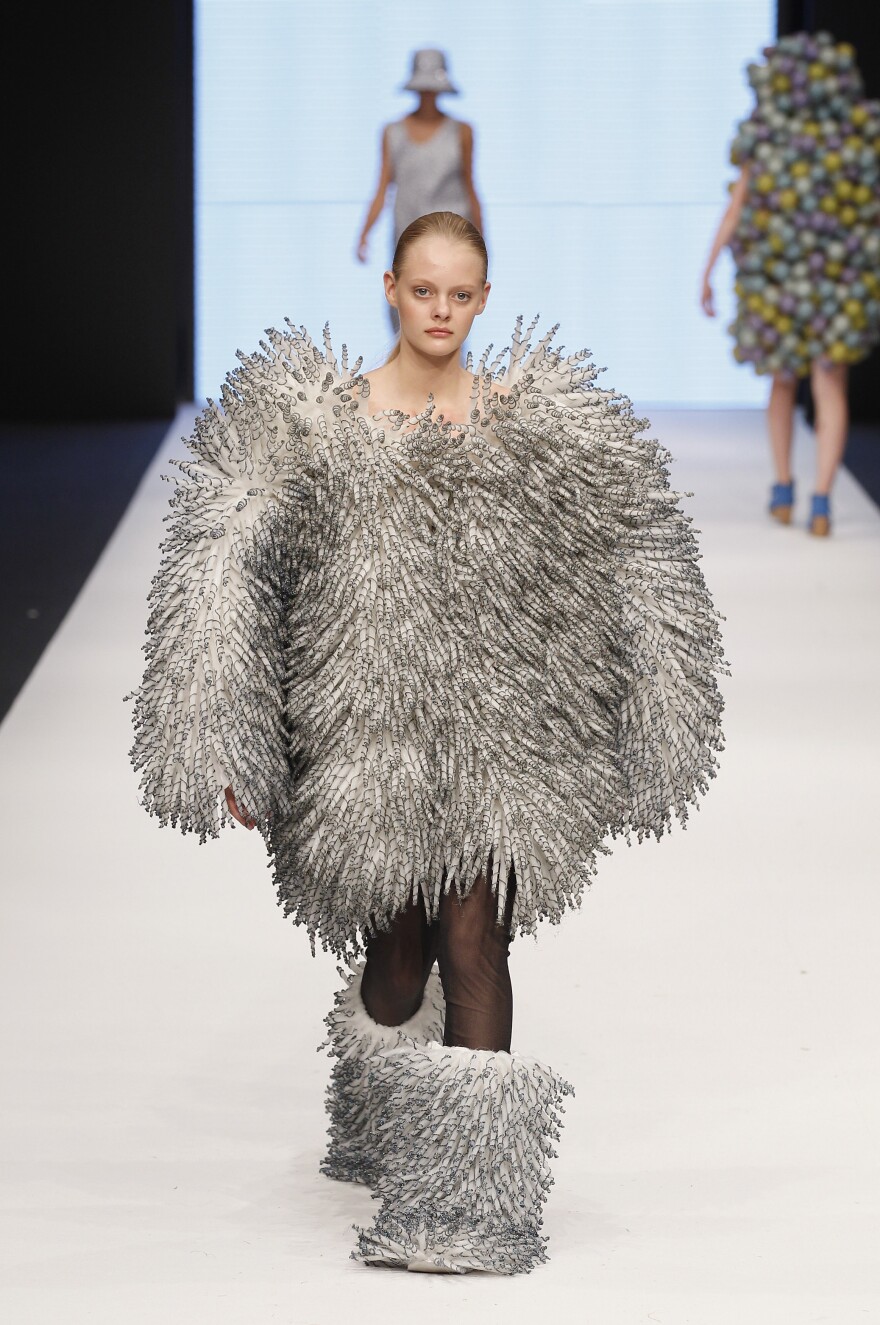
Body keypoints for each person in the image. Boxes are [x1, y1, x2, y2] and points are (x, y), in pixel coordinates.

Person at [130, 210, 726, 1275]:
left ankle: (466, 1207)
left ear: (484, 299)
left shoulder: (532, 427)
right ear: (393, 290)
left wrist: (659, 712)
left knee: (473, 943)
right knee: (397, 961)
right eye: (424, 292)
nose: (441, 311)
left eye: (460, 295)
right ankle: (377, 1114)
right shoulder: (319, 423)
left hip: (505, 740)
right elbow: (223, 569)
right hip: (364, 740)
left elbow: (640, 555)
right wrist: (224, 729)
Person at [701, 31, 880, 537]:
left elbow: (736, 207)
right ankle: (820, 500)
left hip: (778, 276)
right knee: (830, 385)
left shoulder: (766, 136)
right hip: (839, 279)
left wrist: (708, 271)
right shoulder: (859, 137)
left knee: (782, 382)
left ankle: (784, 487)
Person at [356, 49, 483, 330]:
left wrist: (480, 241)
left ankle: (449, 372)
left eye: (432, 88)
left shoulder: (461, 131)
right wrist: (365, 233)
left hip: (452, 234)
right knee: (407, 307)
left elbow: (470, 185)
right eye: (423, 88)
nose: (428, 94)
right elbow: (383, 186)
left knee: (450, 305)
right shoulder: (394, 132)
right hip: (408, 232)